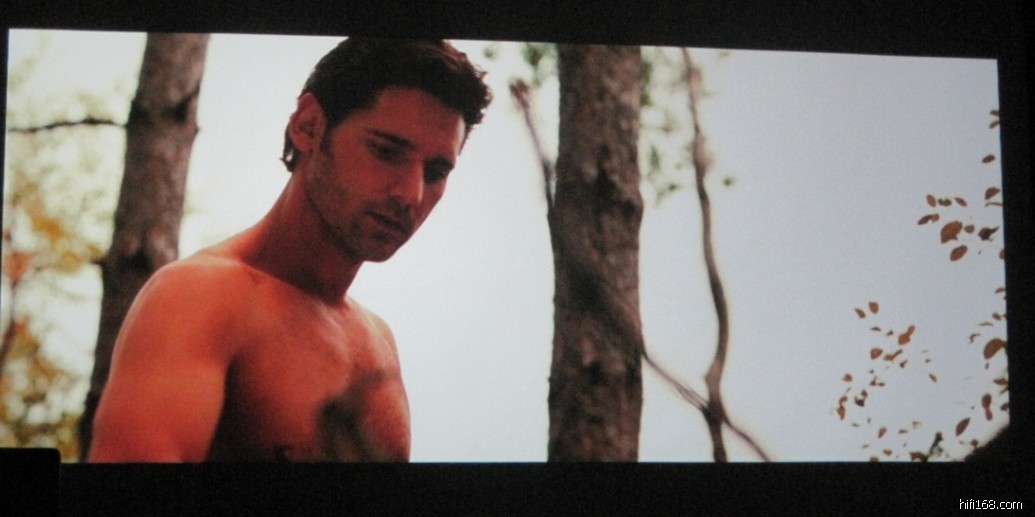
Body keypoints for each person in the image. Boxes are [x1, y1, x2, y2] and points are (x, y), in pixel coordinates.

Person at [88, 37, 492, 462]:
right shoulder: (199, 298)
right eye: (386, 151)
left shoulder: (377, 343)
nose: (411, 194)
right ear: (309, 126)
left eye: (436, 171)